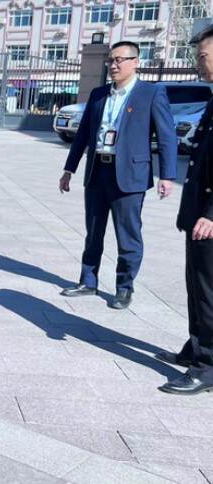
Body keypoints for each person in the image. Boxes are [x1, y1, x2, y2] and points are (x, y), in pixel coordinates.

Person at [59, 41, 177, 310]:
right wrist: (69, 169)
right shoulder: (99, 94)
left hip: (130, 176)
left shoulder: (151, 93)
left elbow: (167, 136)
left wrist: (167, 175)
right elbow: (83, 135)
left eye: (119, 60)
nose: (113, 65)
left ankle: (124, 287)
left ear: (135, 62)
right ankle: (88, 281)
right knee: (93, 232)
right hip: (98, 171)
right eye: (111, 60)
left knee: (128, 235)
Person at [157, 25, 213, 395]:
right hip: (198, 212)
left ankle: (207, 367)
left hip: (209, 217)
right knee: (197, 284)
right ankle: (196, 345)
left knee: (209, 289)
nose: (197, 61)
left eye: (202, 55)